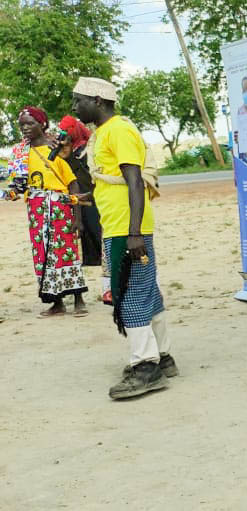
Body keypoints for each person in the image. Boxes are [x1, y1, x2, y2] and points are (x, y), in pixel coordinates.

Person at [72, 77, 177, 400]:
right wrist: (89, 196)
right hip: (118, 225)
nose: (75, 108)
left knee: (129, 297)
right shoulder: (103, 133)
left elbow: (134, 182)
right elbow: (113, 180)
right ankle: (164, 357)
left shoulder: (119, 130)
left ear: (98, 101)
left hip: (127, 230)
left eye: (79, 101)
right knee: (147, 293)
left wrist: (134, 234)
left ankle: (145, 367)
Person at [2, 106, 89, 318]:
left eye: (30, 123)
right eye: (22, 124)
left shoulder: (55, 151)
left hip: (59, 209)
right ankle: (56, 302)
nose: (25, 128)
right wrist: (9, 194)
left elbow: (73, 185)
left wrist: (77, 217)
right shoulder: (20, 154)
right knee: (43, 256)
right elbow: (19, 186)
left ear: (42, 124)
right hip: (36, 212)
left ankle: (78, 299)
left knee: (67, 252)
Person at [58, 115, 103, 271]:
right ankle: (92, 259)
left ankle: (101, 257)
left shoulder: (86, 147)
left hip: (92, 193)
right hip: (80, 194)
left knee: (94, 225)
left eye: (67, 130)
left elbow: (85, 172)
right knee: (84, 226)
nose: (65, 134)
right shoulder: (70, 149)